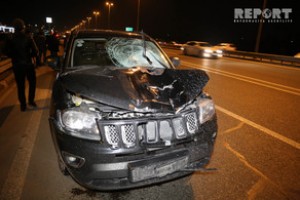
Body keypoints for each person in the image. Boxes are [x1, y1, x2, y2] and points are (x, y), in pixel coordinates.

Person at [3, 18, 39, 111]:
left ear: (14, 28)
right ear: (23, 27)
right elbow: (36, 51)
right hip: (28, 65)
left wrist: (14, 56)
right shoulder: (28, 37)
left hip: (17, 65)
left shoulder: (10, 38)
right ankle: (31, 101)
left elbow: (5, 51)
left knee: (20, 86)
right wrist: (29, 55)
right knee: (32, 83)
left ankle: (23, 105)